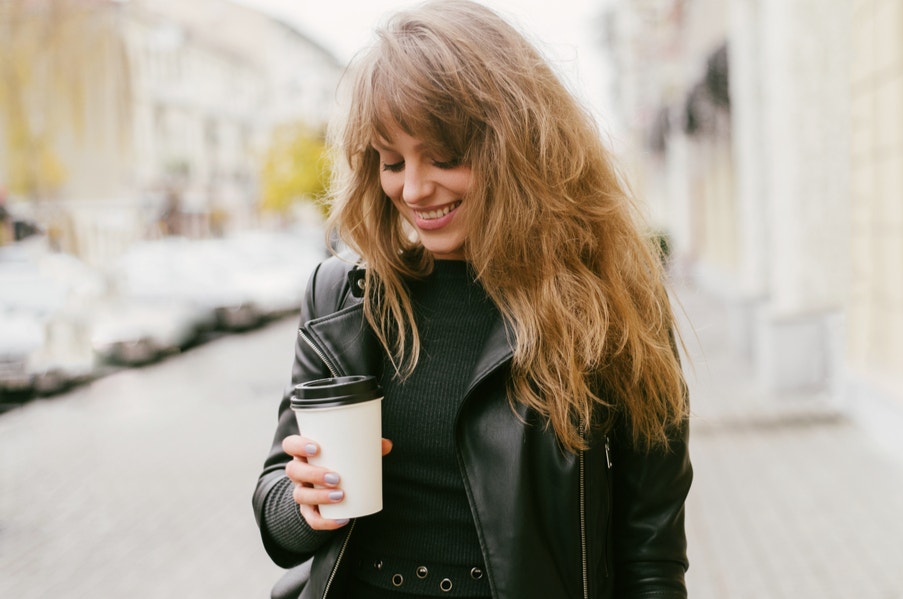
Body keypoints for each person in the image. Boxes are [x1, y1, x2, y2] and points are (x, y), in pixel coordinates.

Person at [251, 2, 693, 599]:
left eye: (444, 156)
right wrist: (303, 505)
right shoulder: (342, 299)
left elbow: (651, 553)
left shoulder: (609, 306)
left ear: (517, 144)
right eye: (391, 161)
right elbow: (276, 506)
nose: (412, 188)